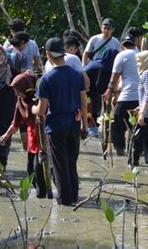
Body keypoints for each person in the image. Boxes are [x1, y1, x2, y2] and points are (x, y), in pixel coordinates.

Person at [32, 38, 88, 206]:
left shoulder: (46, 79)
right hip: (74, 124)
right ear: (63, 53)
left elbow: (42, 110)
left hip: (55, 126)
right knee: (71, 163)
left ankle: (65, 201)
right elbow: (84, 103)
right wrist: (84, 125)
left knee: (60, 166)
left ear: (48, 55)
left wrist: (33, 109)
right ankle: (74, 198)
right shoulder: (77, 75)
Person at [0, 72, 50, 198]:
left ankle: (42, 195)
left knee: (38, 170)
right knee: (30, 171)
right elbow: (15, 123)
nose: (16, 94)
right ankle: (40, 193)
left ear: (27, 89)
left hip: (44, 137)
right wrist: (6, 135)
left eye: (18, 91)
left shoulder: (39, 99)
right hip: (32, 138)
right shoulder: (20, 101)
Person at [83, 18, 121, 136]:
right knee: (92, 96)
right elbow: (86, 53)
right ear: (101, 27)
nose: (106, 30)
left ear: (113, 30)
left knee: (106, 96)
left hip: (108, 71)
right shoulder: (95, 39)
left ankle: (106, 123)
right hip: (93, 69)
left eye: (108, 28)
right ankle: (92, 124)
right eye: (104, 27)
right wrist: (83, 67)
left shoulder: (115, 42)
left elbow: (119, 57)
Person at [106, 34, 140, 156]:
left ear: (122, 46)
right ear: (135, 44)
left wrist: (110, 92)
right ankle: (134, 153)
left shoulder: (121, 55)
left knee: (116, 126)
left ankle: (120, 153)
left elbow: (114, 79)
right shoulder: (141, 53)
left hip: (127, 96)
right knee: (135, 126)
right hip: (141, 97)